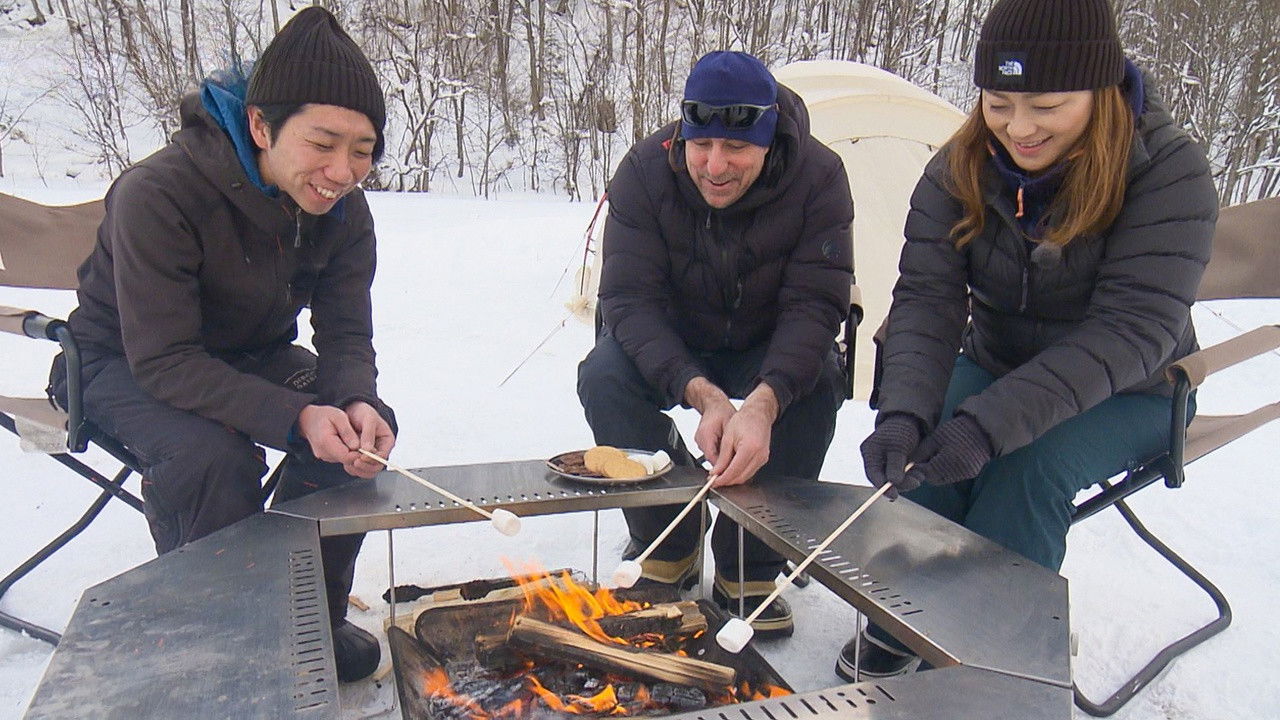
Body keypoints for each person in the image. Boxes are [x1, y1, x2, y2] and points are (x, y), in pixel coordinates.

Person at [838, 0, 1217, 681]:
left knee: (1026, 463)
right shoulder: (961, 166)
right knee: (922, 442)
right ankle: (908, 613)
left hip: (1134, 388)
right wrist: (904, 412)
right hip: (998, 363)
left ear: (1099, 90)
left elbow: (1134, 330)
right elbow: (928, 297)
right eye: (999, 101)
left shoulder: (1168, 171)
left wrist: (989, 426)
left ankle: (990, 649)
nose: (1019, 128)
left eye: (1047, 105)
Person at [48, 7, 397, 682]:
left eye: (362, 149)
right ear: (262, 126)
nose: (343, 170)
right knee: (213, 456)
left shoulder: (344, 212)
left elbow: (347, 332)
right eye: (323, 143)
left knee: (354, 442)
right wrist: (292, 415)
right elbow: (165, 360)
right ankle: (215, 641)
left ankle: (308, 620)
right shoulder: (161, 194)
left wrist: (353, 398)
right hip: (118, 362)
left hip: (249, 353)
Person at [577, 51, 854, 637]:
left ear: (770, 136)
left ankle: (750, 560)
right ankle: (667, 538)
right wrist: (700, 393)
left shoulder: (820, 177)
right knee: (603, 374)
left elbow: (815, 305)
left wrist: (763, 400)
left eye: (737, 150)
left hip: (767, 342)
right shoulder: (644, 172)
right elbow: (628, 299)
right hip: (676, 340)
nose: (715, 165)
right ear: (683, 133)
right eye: (702, 145)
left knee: (820, 378)